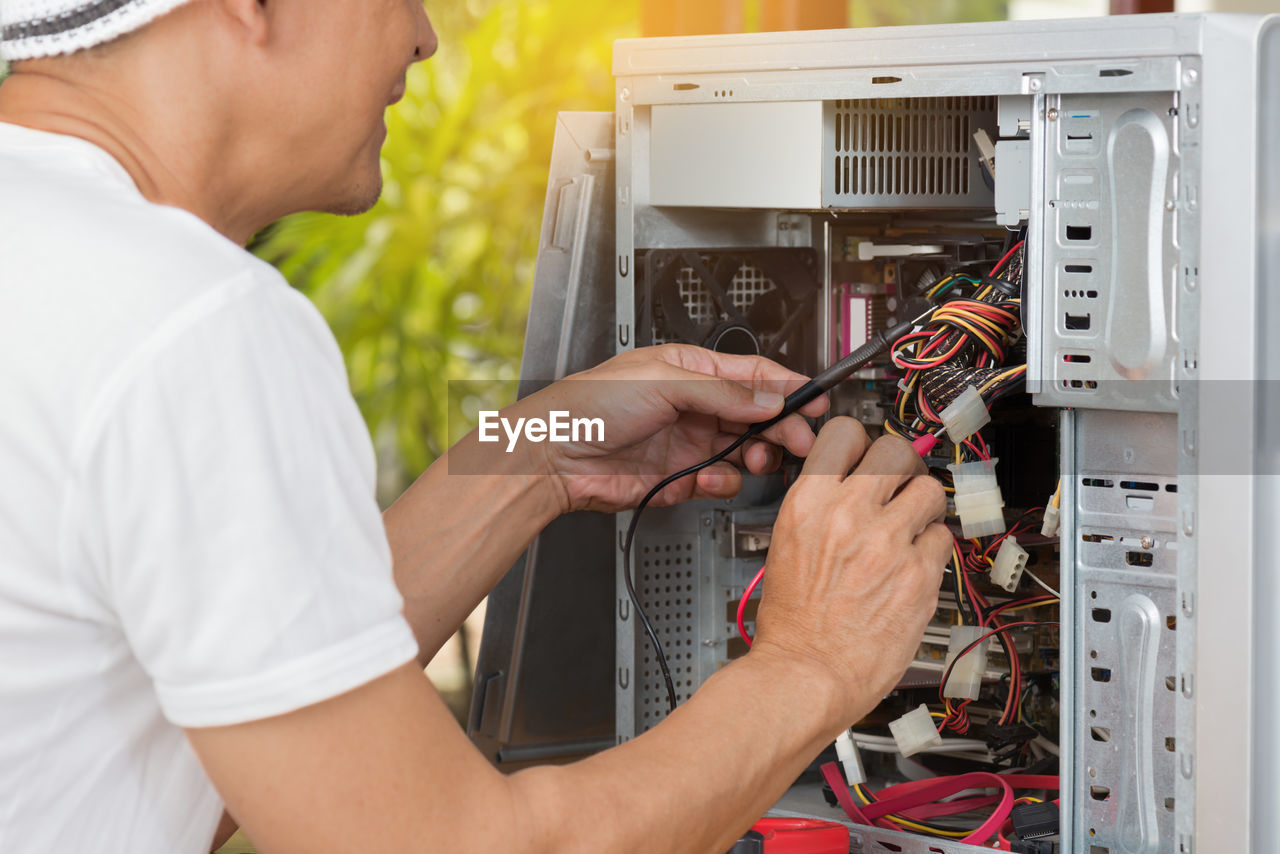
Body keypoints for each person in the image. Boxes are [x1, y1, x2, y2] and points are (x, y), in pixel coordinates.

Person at [0, 1, 951, 851]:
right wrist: (809, 664)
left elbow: (254, 739)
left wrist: (534, 454)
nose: (420, 35)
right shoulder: (187, 323)